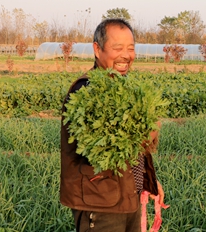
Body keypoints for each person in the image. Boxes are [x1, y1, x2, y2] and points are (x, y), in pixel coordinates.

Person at [60, 18, 165, 232]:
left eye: (130, 48)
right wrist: (150, 130)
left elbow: (133, 152)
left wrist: (148, 181)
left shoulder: (121, 86)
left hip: (129, 197)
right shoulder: (86, 90)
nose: (126, 55)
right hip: (100, 203)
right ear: (97, 50)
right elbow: (109, 147)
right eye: (118, 48)